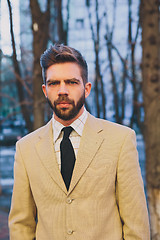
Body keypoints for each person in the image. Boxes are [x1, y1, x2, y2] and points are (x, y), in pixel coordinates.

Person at [9, 44, 150, 240]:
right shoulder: (26, 148)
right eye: (54, 83)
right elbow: (21, 225)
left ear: (87, 88)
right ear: (45, 90)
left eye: (72, 82)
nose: (62, 90)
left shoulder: (120, 140)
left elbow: (137, 226)